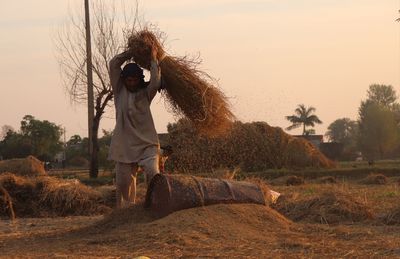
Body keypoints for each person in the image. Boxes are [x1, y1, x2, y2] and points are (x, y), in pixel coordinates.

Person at [108, 49, 162, 208]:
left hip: (147, 144)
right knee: (124, 182)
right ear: (123, 80)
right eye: (128, 80)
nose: (131, 83)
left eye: (135, 80)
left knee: (153, 173)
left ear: (140, 80)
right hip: (124, 145)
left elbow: (155, 80)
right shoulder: (119, 91)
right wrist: (130, 52)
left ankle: (156, 205)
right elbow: (113, 64)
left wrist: (153, 58)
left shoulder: (146, 93)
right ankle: (128, 212)